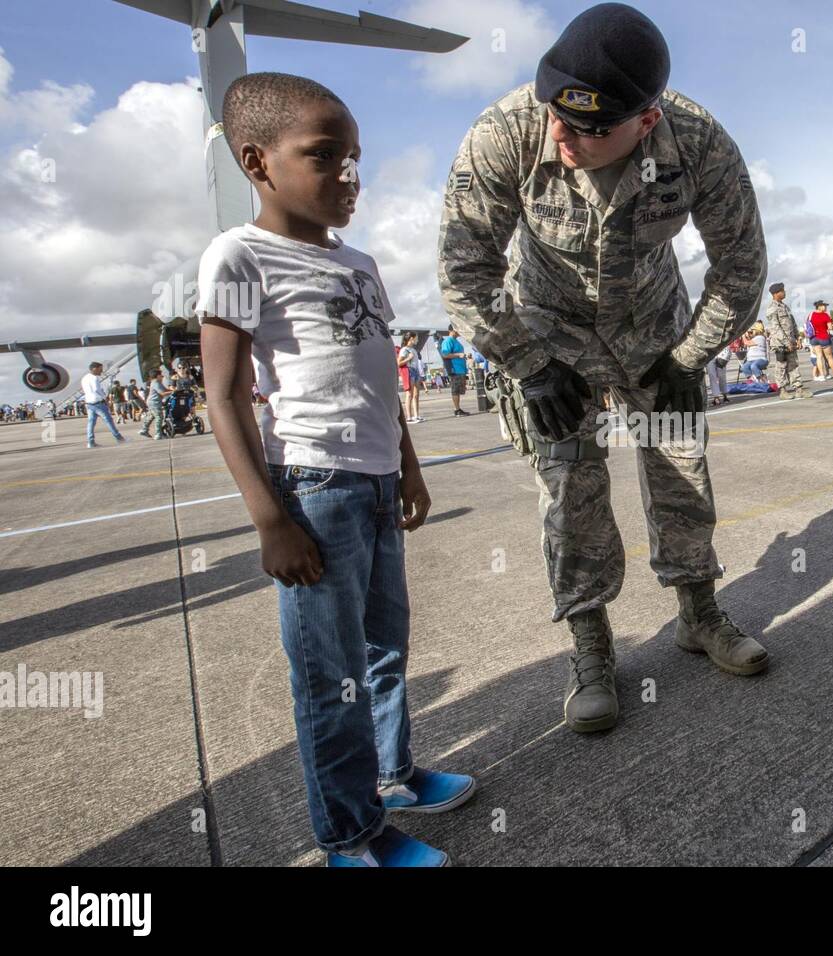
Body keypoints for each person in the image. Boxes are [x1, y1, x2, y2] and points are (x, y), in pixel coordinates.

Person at [438, 2, 770, 735]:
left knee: (682, 464)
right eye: (556, 111)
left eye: (588, 127)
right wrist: (527, 364)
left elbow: (742, 266)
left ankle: (699, 613)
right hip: (549, 330)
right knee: (569, 482)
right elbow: (464, 270)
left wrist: (690, 355)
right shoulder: (509, 132)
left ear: (644, 122)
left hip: (655, 326)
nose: (563, 134)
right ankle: (591, 644)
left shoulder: (699, 143)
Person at [198, 71, 475, 868]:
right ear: (257, 162)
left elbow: (380, 374)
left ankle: (393, 771)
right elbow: (224, 398)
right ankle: (350, 836)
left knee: (386, 645)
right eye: (324, 157)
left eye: (355, 158)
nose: (349, 176)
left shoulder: (360, 262)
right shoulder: (240, 254)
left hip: (377, 482)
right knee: (332, 676)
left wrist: (408, 467)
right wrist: (269, 518)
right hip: (312, 492)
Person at [765, 282, 809, 399]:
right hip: (780, 343)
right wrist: (786, 342)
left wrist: (797, 338)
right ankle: (783, 391)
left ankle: (798, 389)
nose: (784, 292)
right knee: (781, 366)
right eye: (782, 291)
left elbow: (792, 323)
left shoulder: (785, 306)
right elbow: (776, 328)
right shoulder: (772, 308)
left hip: (790, 341)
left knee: (794, 365)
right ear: (775, 293)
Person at [81, 362, 126, 448]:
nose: (101, 371)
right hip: (98, 402)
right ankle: (119, 438)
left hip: (89, 402)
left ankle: (91, 442)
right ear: (95, 368)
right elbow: (96, 389)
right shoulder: (94, 378)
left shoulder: (84, 378)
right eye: (100, 369)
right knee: (108, 420)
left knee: (91, 422)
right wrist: (105, 397)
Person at [439, 327, 471, 417]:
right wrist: (458, 354)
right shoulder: (448, 341)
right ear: (451, 331)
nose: (459, 331)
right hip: (454, 369)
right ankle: (457, 410)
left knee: (458, 390)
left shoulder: (456, 341)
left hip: (460, 369)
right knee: (455, 390)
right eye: (457, 329)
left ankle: (458, 409)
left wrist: (464, 355)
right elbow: (445, 354)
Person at [139, 367, 173, 439]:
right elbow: (162, 393)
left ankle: (144, 430)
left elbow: (165, 390)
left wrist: (172, 390)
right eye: (161, 375)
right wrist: (172, 392)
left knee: (151, 416)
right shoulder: (156, 383)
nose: (162, 377)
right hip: (154, 402)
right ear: (157, 376)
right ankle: (158, 434)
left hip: (152, 402)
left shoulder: (158, 383)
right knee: (159, 417)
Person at [808, 300, 833, 380]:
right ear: (819, 306)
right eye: (824, 306)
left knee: (819, 357)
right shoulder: (825, 315)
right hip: (824, 337)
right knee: (829, 357)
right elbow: (830, 327)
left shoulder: (811, 314)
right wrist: (831, 326)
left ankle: (822, 375)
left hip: (814, 338)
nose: (826, 307)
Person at [397, 332, 423, 424]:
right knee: (409, 395)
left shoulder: (413, 350)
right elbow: (399, 363)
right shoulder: (404, 349)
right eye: (416, 338)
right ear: (411, 338)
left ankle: (416, 415)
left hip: (416, 372)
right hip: (409, 371)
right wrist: (408, 358)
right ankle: (409, 417)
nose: (417, 340)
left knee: (416, 395)